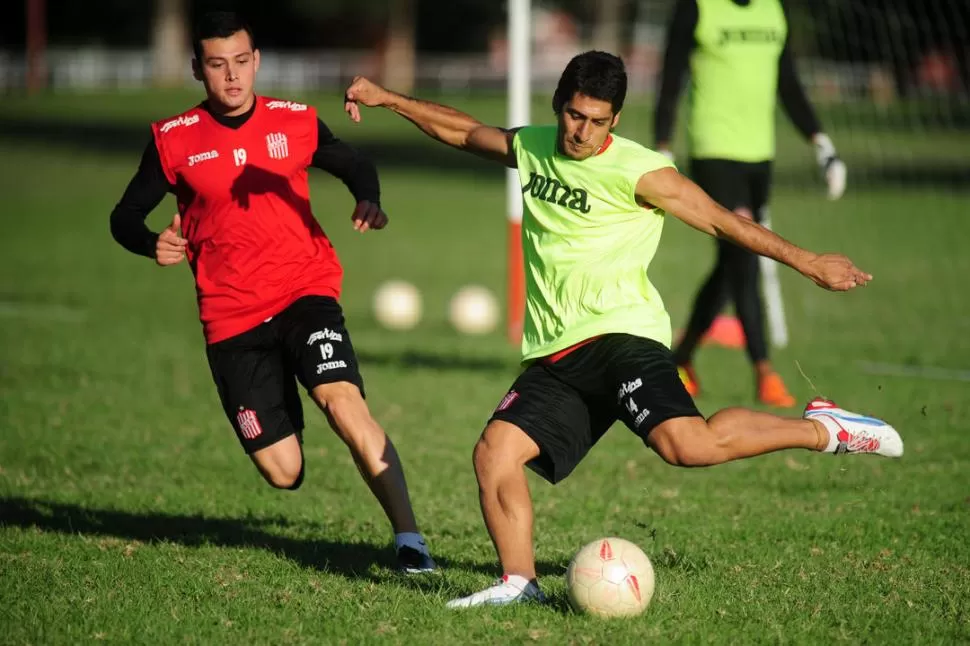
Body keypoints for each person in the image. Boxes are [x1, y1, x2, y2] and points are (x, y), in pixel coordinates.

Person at [343, 51, 901, 607]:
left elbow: (723, 221)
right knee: (495, 453)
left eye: (598, 121)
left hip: (622, 337)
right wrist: (390, 98)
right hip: (559, 353)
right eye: (574, 115)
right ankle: (519, 584)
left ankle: (822, 428)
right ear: (560, 105)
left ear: (617, 120)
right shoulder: (536, 146)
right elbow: (465, 133)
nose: (582, 132)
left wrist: (808, 262)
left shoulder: (640, 170)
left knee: (685, 446)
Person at [109, 11, 435, 573]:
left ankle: (410, 542)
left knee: (342, 401)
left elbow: (354, 163)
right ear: (197, 69)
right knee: (283, 472)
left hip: (304, 290)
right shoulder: (174, 140)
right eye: (217, 65)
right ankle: (281, 389)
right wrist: (148, 242)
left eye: (241, 62)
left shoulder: (296, 121)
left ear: (256, 61)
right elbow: (124, 215)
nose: (232, 77)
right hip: (232, 318)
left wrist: (369, 197)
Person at [654, 0, 848, 407]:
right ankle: (764, 370)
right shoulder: (698, 8)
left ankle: (681, 358)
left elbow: (787, 82)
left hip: (760, 158)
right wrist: (663, 146)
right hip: (714, 152)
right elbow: (670, 76)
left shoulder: (772, 11)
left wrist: (821, 143)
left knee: (730, 265)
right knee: (745, 254)